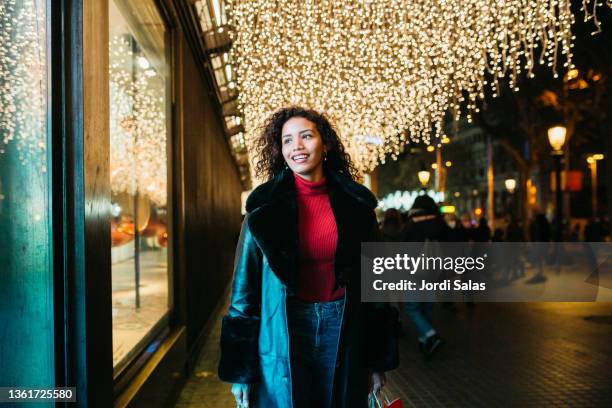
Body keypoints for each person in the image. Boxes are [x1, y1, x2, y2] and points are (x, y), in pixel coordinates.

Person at [218, 107, 398, 408]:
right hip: (282, 331)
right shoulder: (263, 210)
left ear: (325, 143)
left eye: (306, 136)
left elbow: (376, 287)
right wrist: (241, 371)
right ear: (280, 150)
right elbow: (243, 294)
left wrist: (376, 361)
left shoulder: (358, 208)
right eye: (287, 140)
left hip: (343, 328)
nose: (296, 147)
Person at [403, 195, 447, 359]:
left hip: (414, 271)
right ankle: (425, 341)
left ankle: (430, 334)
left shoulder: (412, 223)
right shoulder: (439, 223)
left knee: (412, 308)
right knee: (427, 307)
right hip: (433, 272)